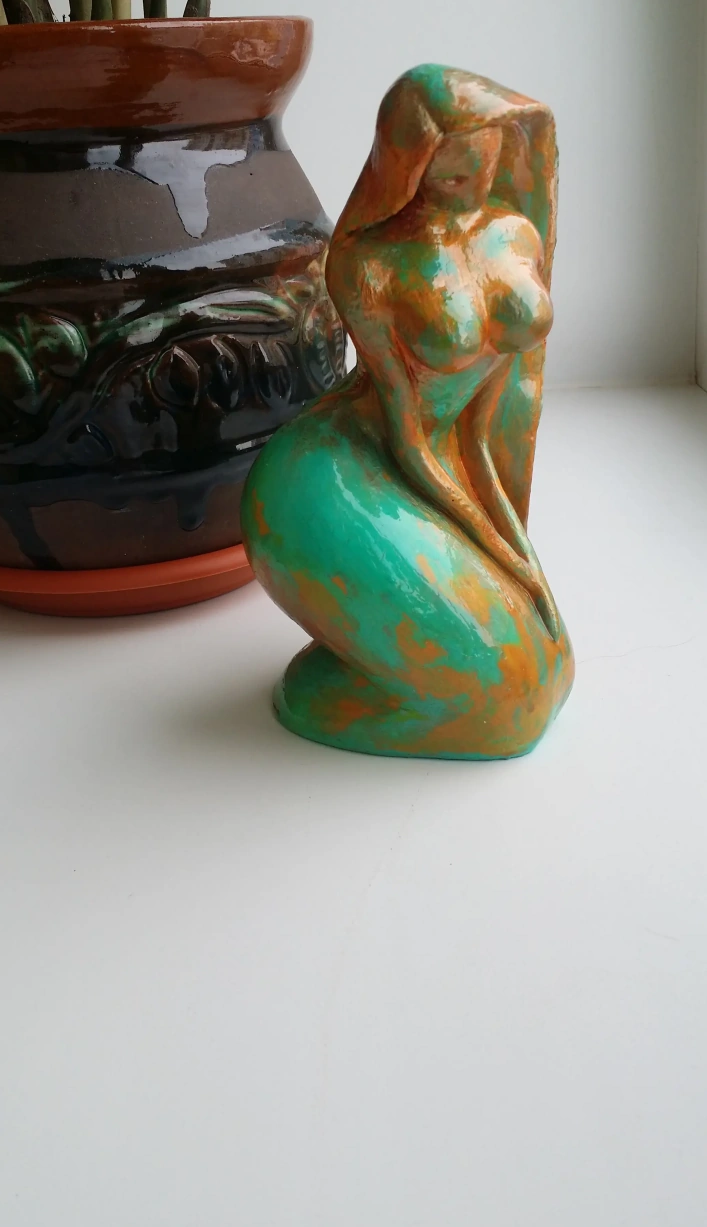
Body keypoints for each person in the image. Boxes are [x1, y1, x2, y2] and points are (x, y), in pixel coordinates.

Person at [242, 65, 574, 759]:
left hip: (442, 460)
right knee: (507, 706)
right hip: (334, 476)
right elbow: (409, 434)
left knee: (551, 670)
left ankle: (378, 666)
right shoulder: (370, 260)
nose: (473, 178)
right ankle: (346, 688)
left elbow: (478, 426)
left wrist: (518, 555)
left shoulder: (514, 234)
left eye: (486, 154)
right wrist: (503, 553)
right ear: (410, 164)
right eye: (451, 170)